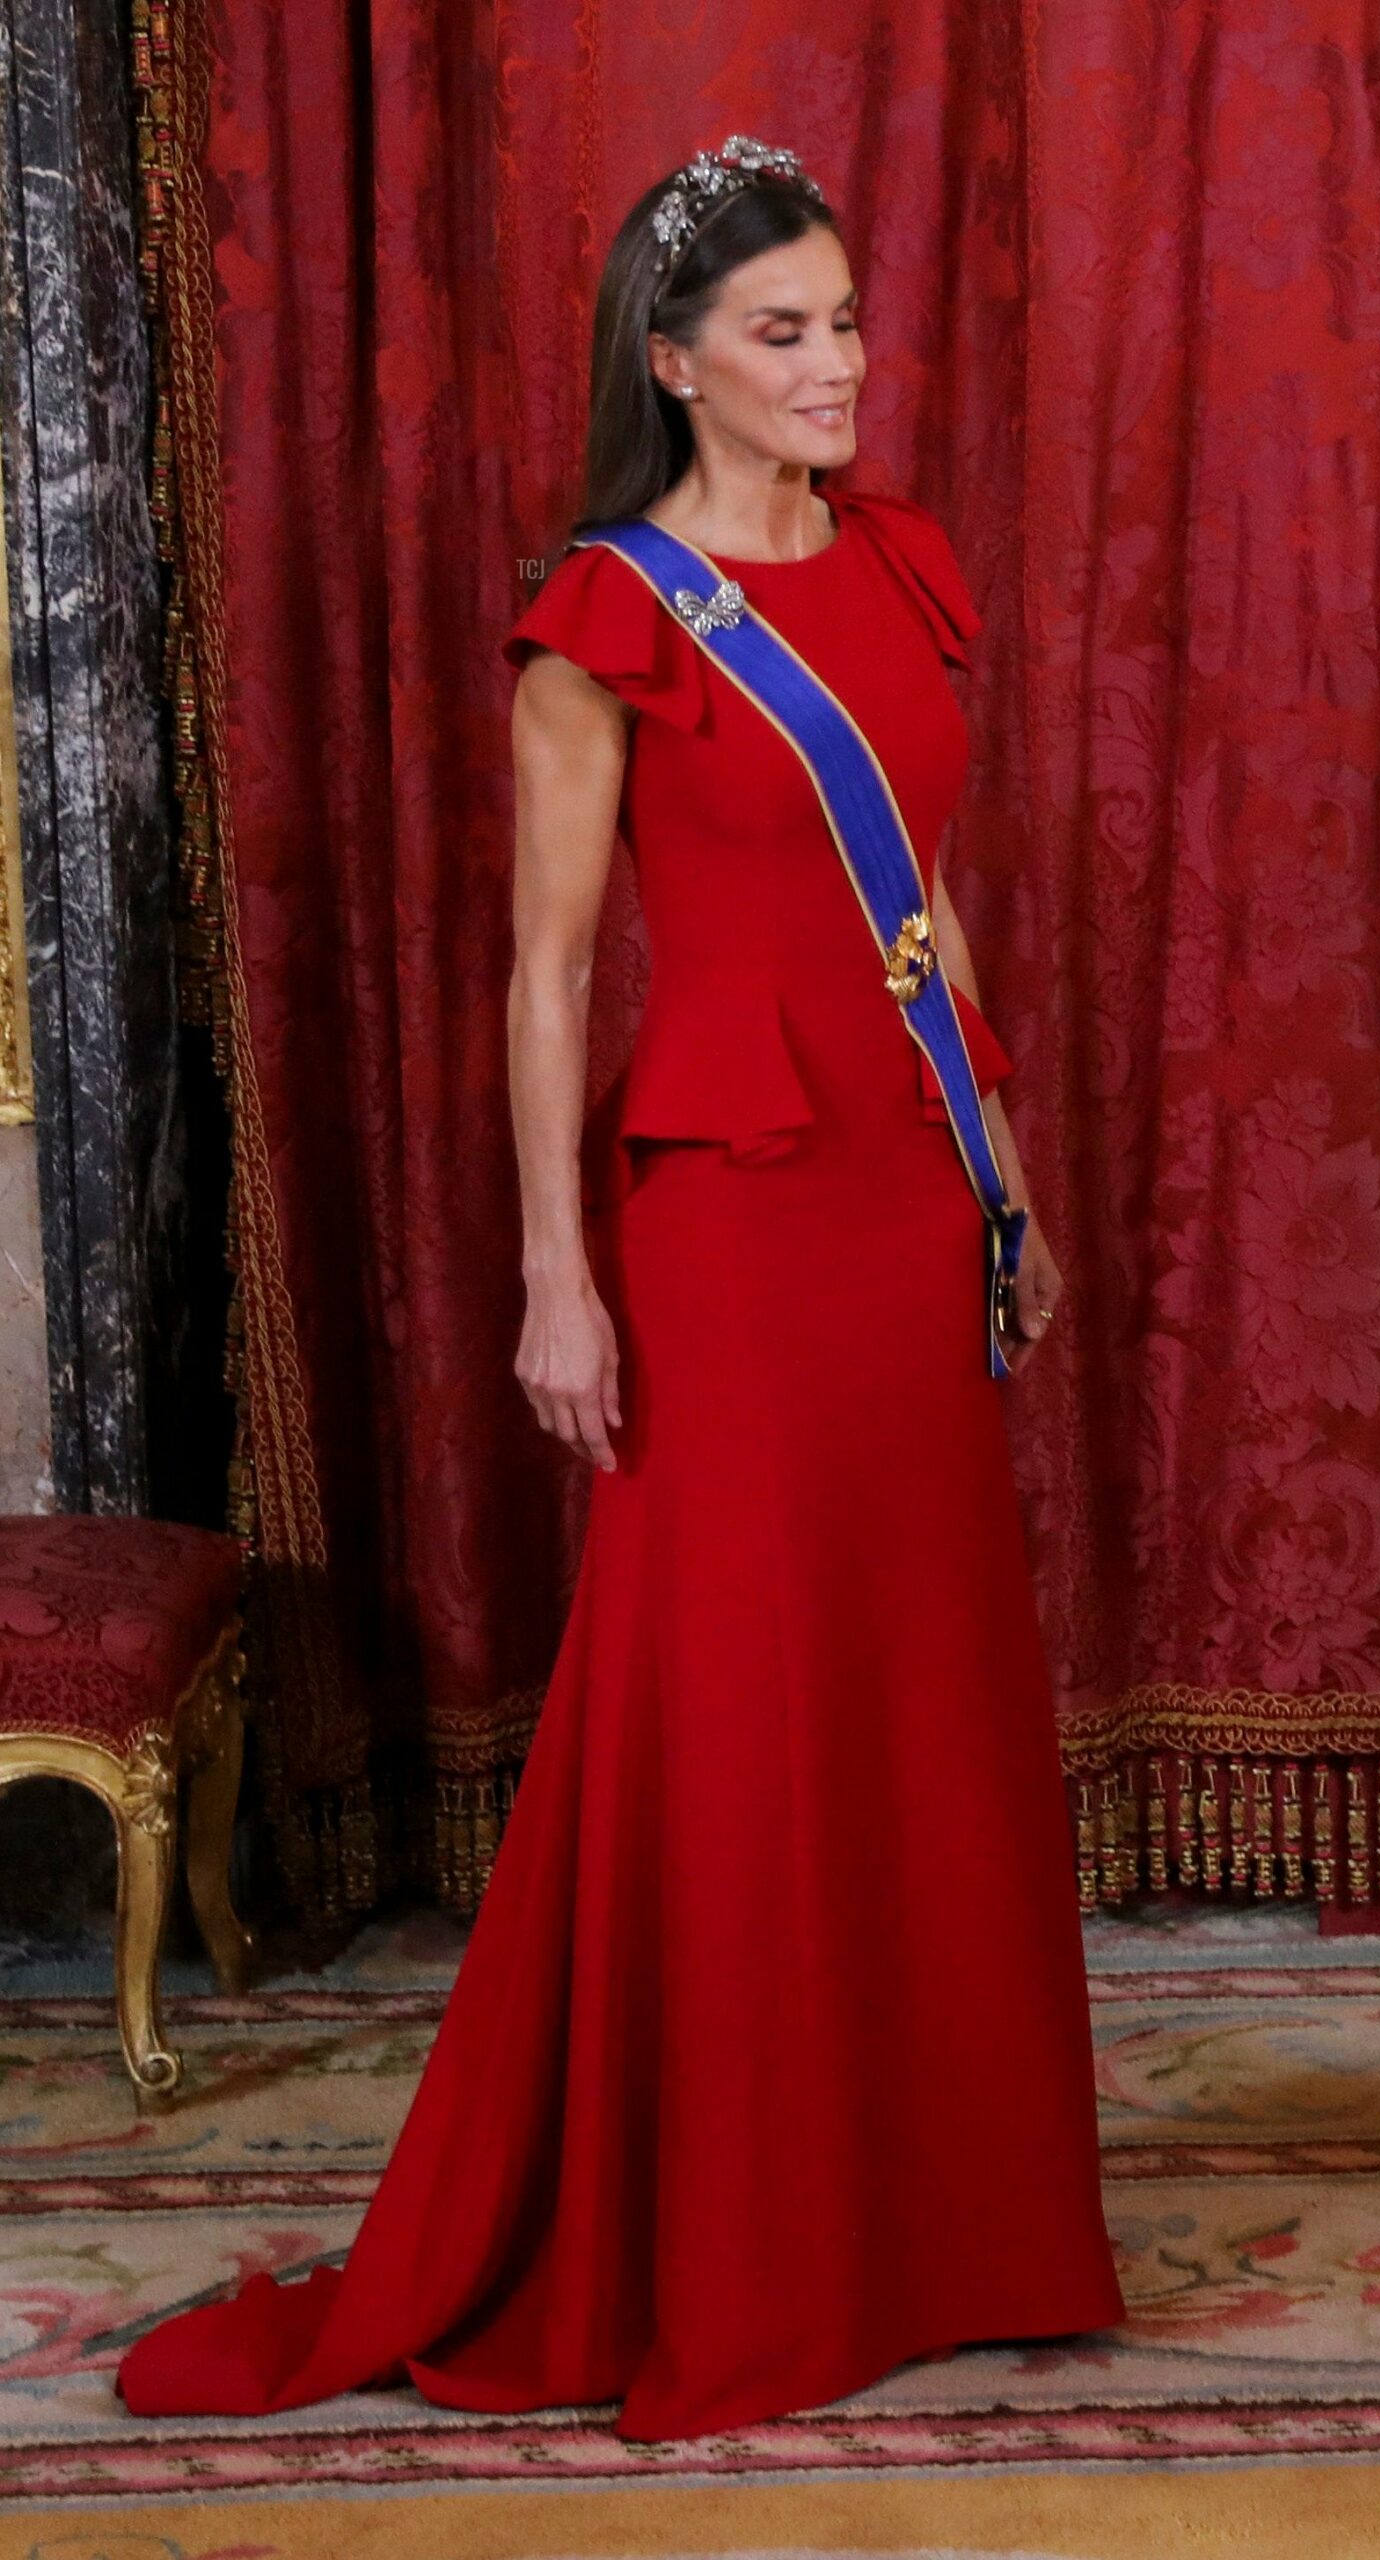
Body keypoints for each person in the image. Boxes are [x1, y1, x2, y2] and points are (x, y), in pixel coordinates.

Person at [115, 132, 1125, 2445]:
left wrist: (1001, 1173)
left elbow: (924, 903)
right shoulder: (607, 615)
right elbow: (547, 974)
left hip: (901, 1196)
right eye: (782, 332)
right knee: (743, 1704)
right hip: (729, 1222)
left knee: (916, 1693)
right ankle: (747, 2239)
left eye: (843, 321)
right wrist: (555, 1277)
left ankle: (951, 2225)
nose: (836, 363)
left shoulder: (899, 558)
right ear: (672, 362)